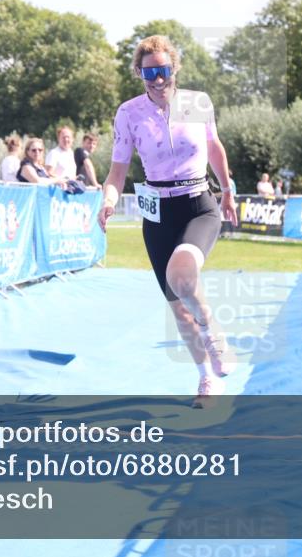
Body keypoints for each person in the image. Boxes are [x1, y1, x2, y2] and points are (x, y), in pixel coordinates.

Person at [97, 34, 239, 408]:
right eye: (149, 74)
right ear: (140, 75)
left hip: (198, 204)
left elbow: (214, 147)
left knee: (182, 274)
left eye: (163, 71)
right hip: (158, 213)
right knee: (178, 306)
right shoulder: (129, 113)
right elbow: (116, 172)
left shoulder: (197, 103)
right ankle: (207, 378)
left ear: (174, 69)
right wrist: (109, 199)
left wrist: (227, 190)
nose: (157, 81)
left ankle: (213, 331)